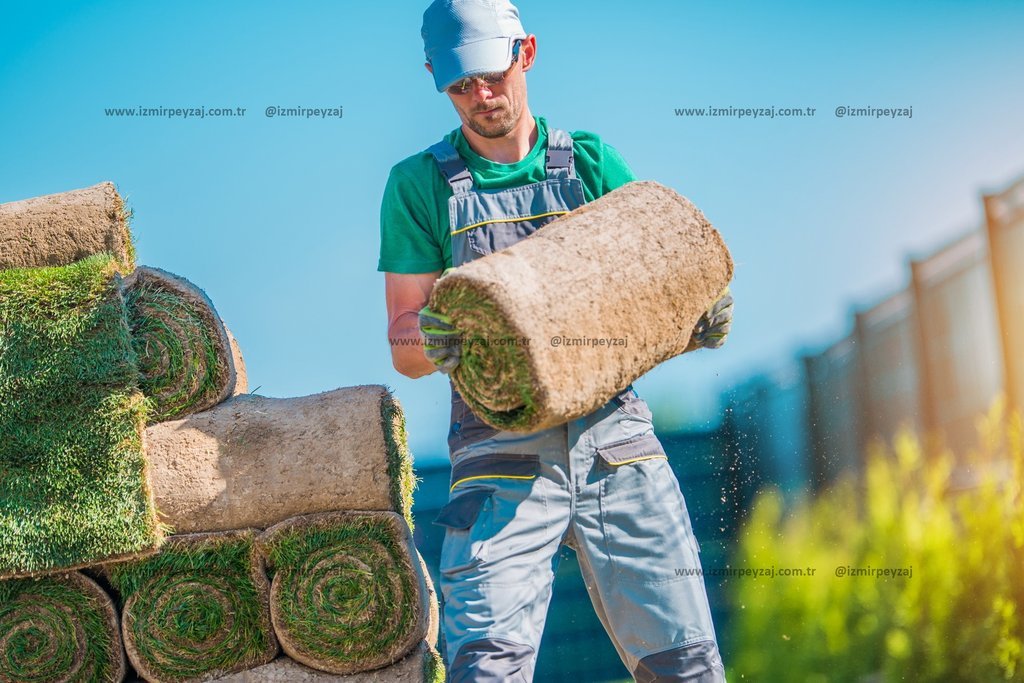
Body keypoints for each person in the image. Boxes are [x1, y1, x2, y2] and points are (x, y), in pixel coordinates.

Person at [379, 1, 732, 680]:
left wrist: (696, 317)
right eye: (458, 85)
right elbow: (401, 338)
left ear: (527, 52)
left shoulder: (591, 165)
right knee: (486, 668)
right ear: (434, 77)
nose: (480, 96)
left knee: (685, 664)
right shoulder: (418, 186)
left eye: (491, 74)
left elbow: (660, 279)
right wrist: (437, 337)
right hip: (496, 460)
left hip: (617, 444)